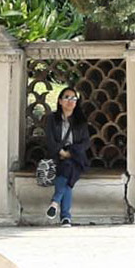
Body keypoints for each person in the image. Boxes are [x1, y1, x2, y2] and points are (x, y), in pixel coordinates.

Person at [43, 84, 92, 226]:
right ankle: (65, 217)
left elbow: (86, 142)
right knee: (68, 175)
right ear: (59, 101)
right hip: (58, 155)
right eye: (67, 97)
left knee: (68, 167)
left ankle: (55, 202)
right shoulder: (52, 119)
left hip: (76, 156)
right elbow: (50, 139)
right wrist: (61, 152)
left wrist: (71, 152)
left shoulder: (80, 120)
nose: (70, 101)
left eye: (74, 98)